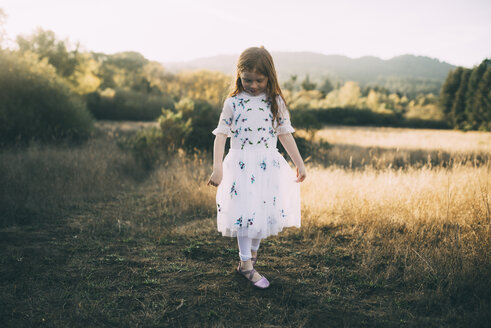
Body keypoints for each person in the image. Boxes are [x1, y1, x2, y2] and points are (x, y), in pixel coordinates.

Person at [207, 46, 306, 289]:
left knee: (261, 212)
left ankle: (249, 260)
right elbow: (221, 135)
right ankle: (246, 265)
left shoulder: (275, 102)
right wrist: (217, 167)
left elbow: (285, 134)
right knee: (243, 214)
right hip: (240, 165)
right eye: (247, 79)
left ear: (269, 77)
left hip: (266, 166)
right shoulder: (233, 103)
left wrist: (300, 163)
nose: (252, 85)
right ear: (239, 75)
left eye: (258, 80)